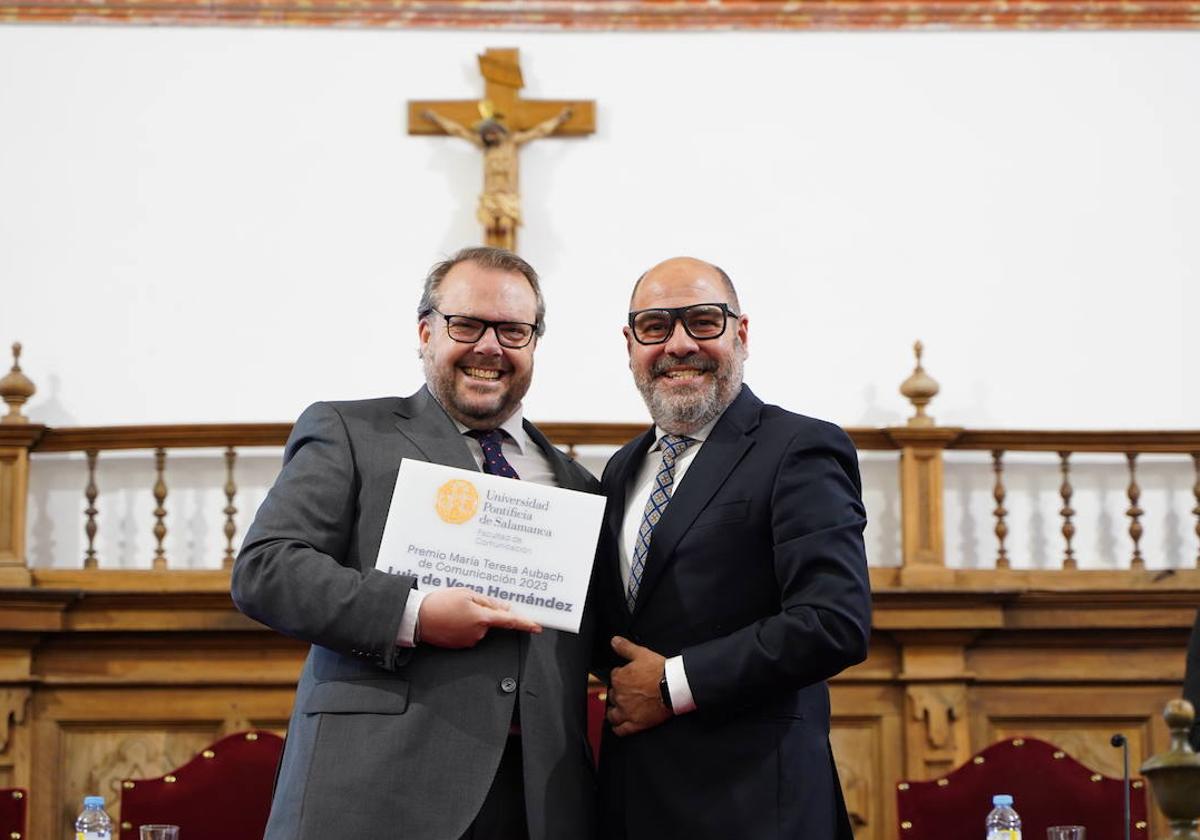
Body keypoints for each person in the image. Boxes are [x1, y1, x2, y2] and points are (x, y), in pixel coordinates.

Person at [231, 246, 599, 840]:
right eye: (466, 324)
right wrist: (416, 614)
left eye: (512, 330)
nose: (489, 347)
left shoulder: (577, 487)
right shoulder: (349, 432)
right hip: (375, 789)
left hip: (535, 802)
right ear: (426, 331)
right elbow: (266, 570)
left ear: (533, 344)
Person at [592, 256, 872, 840]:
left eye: (702, 321)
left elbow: (832, 622)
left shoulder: (798, 446)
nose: (678, 344)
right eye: (654, 327)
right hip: (633, 802)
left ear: (740, 333)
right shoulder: (620, 469)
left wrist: (672, 684)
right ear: (630, 343)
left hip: (754, 807)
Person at [421, 108, 573, 251]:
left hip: (507, 197)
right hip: (490, 197)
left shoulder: (512, 143)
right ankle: (490, 259)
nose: (490, 136)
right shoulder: (485, 146)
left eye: (493, 132)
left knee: (506, 227)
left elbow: (539, 131)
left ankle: (508, 259)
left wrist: (560, 119)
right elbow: (458, 131)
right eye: (487, 133)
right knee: (489, 228)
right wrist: (436, 118)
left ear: (501, 131)